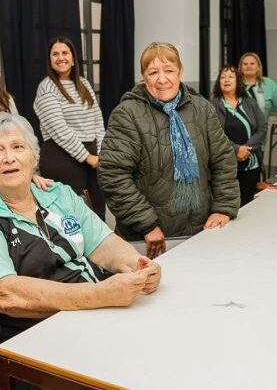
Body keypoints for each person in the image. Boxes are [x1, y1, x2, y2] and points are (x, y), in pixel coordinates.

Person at [0, 113, 161, 390]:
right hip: (15, 365)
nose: (9, 158)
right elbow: (5, 295)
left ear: (34, 158)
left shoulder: (58, 194)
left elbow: (104, 244)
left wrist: (138, 265)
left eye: (18, 147)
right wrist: (102, 295)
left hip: (80, 336)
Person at [99, 42, 239, 258]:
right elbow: (113, 176)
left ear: (180, 71)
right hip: (149, 240)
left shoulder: (202, 109)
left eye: (169, 70)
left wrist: (223, 207)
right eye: (153, 72)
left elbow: (223, 161)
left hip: (201, 232)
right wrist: (146, 224)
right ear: (143, 76)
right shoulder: (127, 114)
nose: (162, 79)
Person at [33, 37, 106, 220]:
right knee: (73, 216)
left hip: (92, 156)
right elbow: (59, 130)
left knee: (98, 211)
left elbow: (98, 119)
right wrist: (87, 157)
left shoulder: (84, 83)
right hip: (61, 156)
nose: (60, 57)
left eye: (65, 53)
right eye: (55, 54)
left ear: (73, 59)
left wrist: (100, 152)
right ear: (50, 60)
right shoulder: (46, 87)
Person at [211, 65, 266, 206]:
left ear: (238, 81)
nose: (226, 80)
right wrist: (236, 150)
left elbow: (262, 128)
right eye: (222, 77)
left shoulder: (249, 102)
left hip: (251, 163)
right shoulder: (213, 106)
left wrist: (246, 148)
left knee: (249, 205)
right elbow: (214, 134)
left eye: (230, 77)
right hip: (226, 166)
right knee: (229, 205)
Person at [239, 52, 277, 118]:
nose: (248, 66)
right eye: (245, 64)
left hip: (262, 127)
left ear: (258, 67)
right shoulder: (234, 84)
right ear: (240, 68)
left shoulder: (269, 83)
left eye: (252, 64)